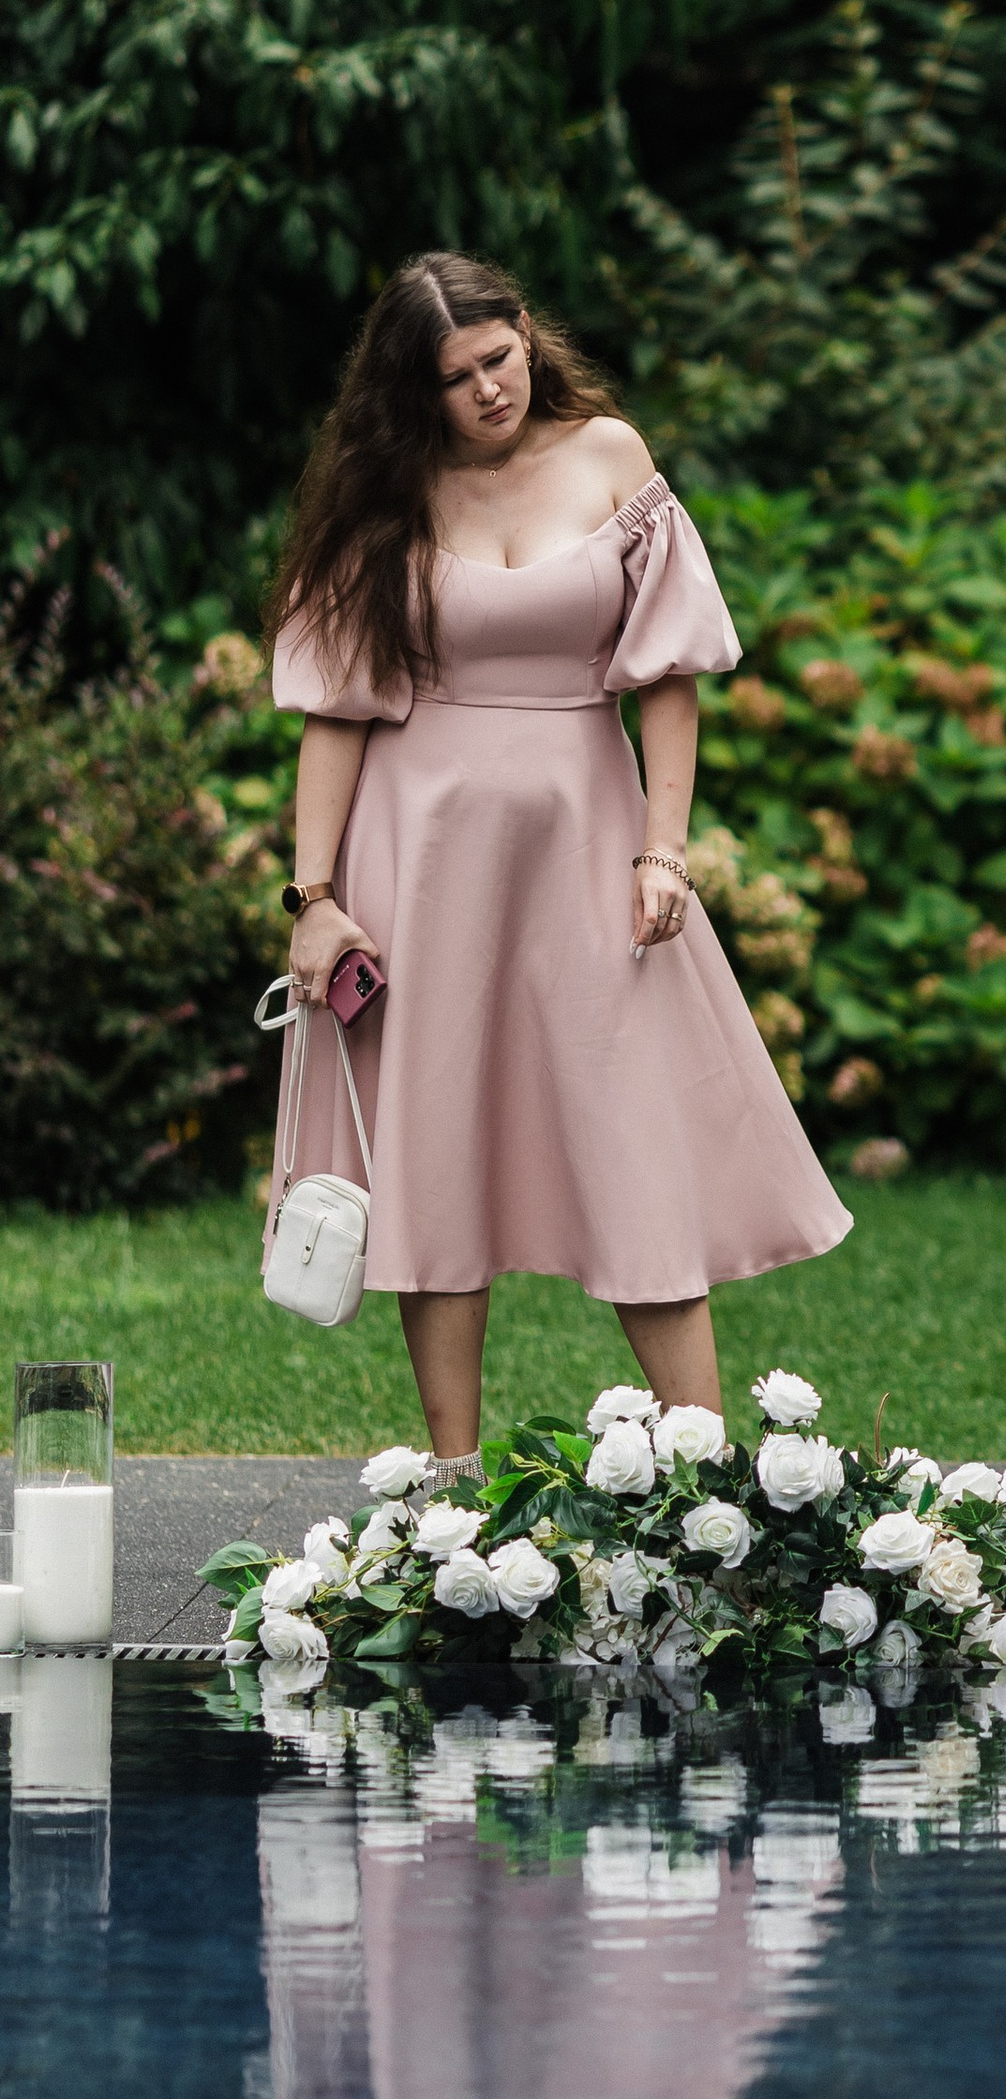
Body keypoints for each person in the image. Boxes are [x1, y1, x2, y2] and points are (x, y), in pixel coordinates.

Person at [266, 251, 849, 1476]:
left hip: (588, 839)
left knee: (628, 1126)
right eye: (457, 377)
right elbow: (337, 714)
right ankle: (450, 1483)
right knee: (433, 1146)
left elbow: (672, 676)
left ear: (529, 334)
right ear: (411, 394)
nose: (489, 388)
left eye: (501, 354)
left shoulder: (610, 458)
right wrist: (313, 901)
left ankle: (709, 1479)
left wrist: (665, 850)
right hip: (417, 854)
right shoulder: (388, 495)